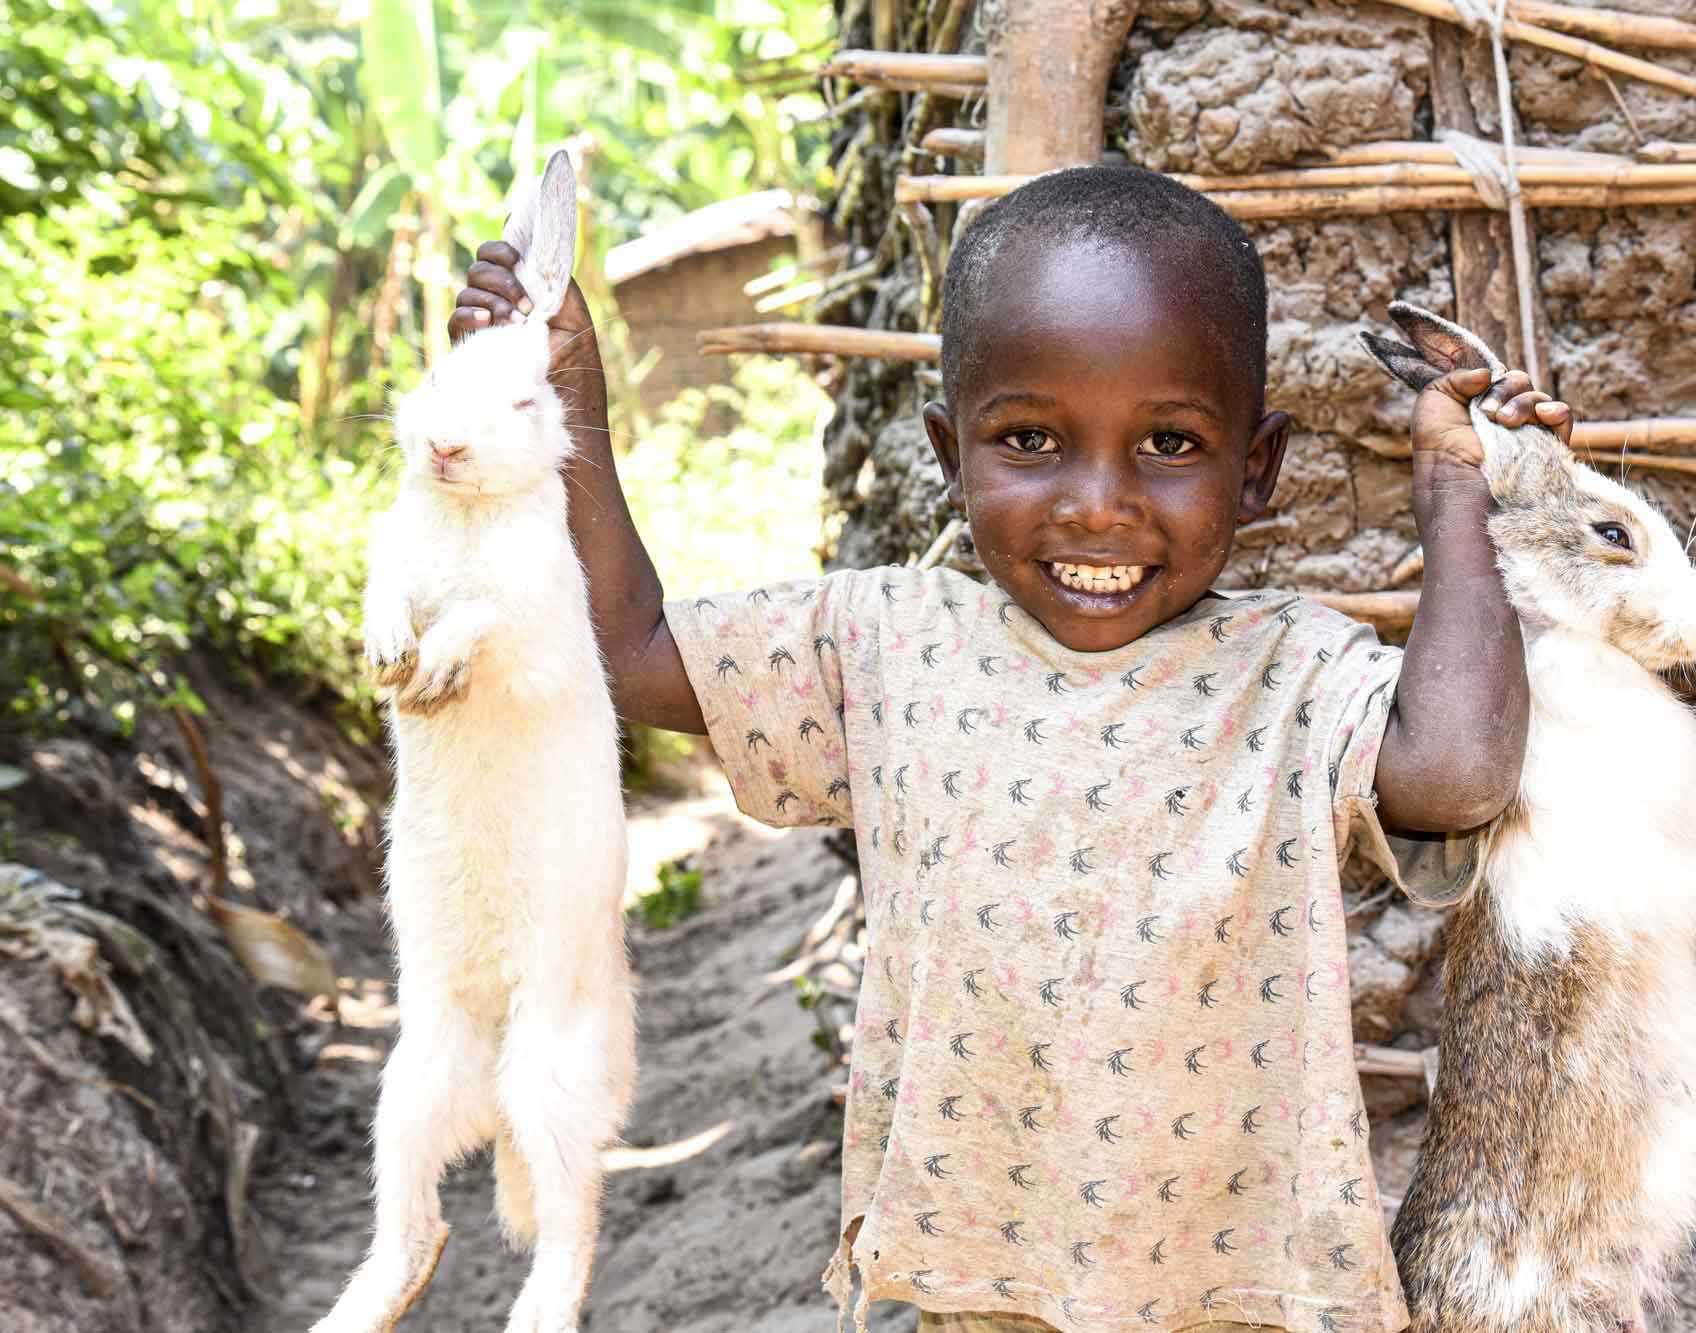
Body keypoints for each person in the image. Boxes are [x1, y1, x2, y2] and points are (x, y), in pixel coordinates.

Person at [449, 165, 1574, 1333]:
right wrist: (557, 386)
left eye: (1169, 443)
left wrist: (1458, 496)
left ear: (1257, 467)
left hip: (1236, 1287)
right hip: (976, 1277)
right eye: (1031, 439)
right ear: (948, 452)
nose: (1097, 504)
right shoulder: (881, 643)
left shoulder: (1291, 673)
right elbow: (627, 652)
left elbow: (1450, 774)